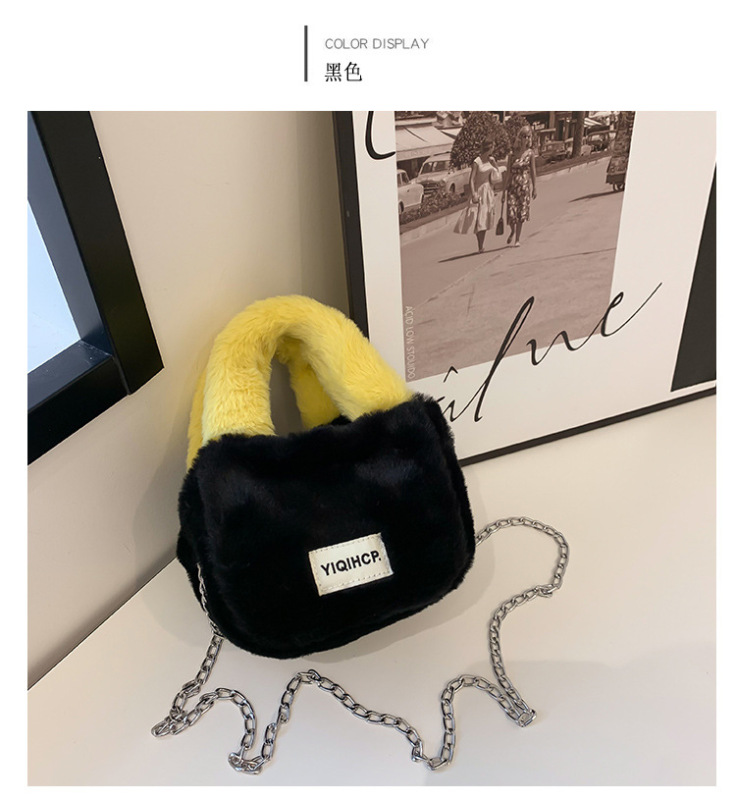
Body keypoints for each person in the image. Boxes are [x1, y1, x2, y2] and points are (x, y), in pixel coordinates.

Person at [503, 126, 537, 247]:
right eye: (524, 136)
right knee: (511, 212)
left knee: (521, 213)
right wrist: (504, 190)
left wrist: (534, 187)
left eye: (528, 136)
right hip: (512, 186)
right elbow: (508, 172)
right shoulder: (512, 155)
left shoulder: (530, 154)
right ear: (520, 137)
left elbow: (533, 171)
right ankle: (512, 230)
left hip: (524, 186)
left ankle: (517, 239)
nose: (526, 139)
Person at [467, 138, 501, 252]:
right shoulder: (477, 162)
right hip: (479, 191)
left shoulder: (491, 160)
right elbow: (471, 179)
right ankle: (480, 245)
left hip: (488, 191)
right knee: (479, 219)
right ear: (489, 147)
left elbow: (497, 176)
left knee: (485, 218)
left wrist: (494, 163)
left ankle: (481, 245)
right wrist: (473, 194)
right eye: (493, 147)